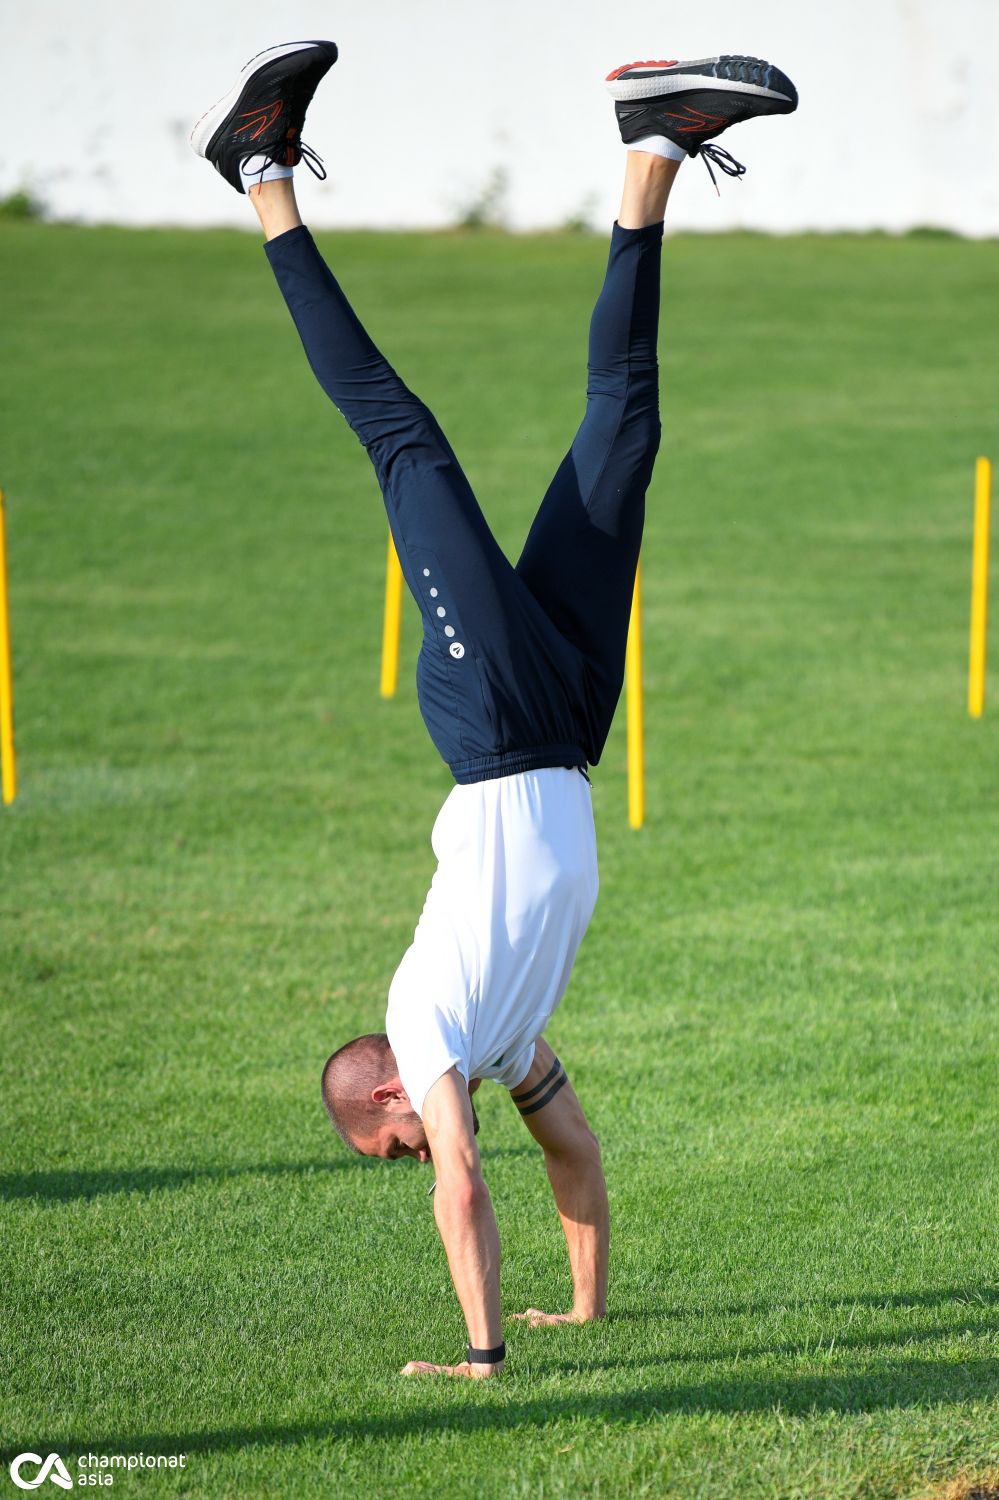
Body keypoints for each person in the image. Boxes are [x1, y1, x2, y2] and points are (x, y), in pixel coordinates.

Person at [191, 43, 797, 1379]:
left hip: (489, 720)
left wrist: (480, 1351)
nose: (425, 1145)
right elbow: (570, 1151)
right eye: (415, 1141)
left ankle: (257, 172)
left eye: (401, 1136)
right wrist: (582, 1309)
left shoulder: (425, 1027)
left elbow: (461, 1186)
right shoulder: (507, 1040)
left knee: (407, 440)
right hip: (570, 721)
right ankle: (654, 149)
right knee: (626, 432)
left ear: (392, 1098)